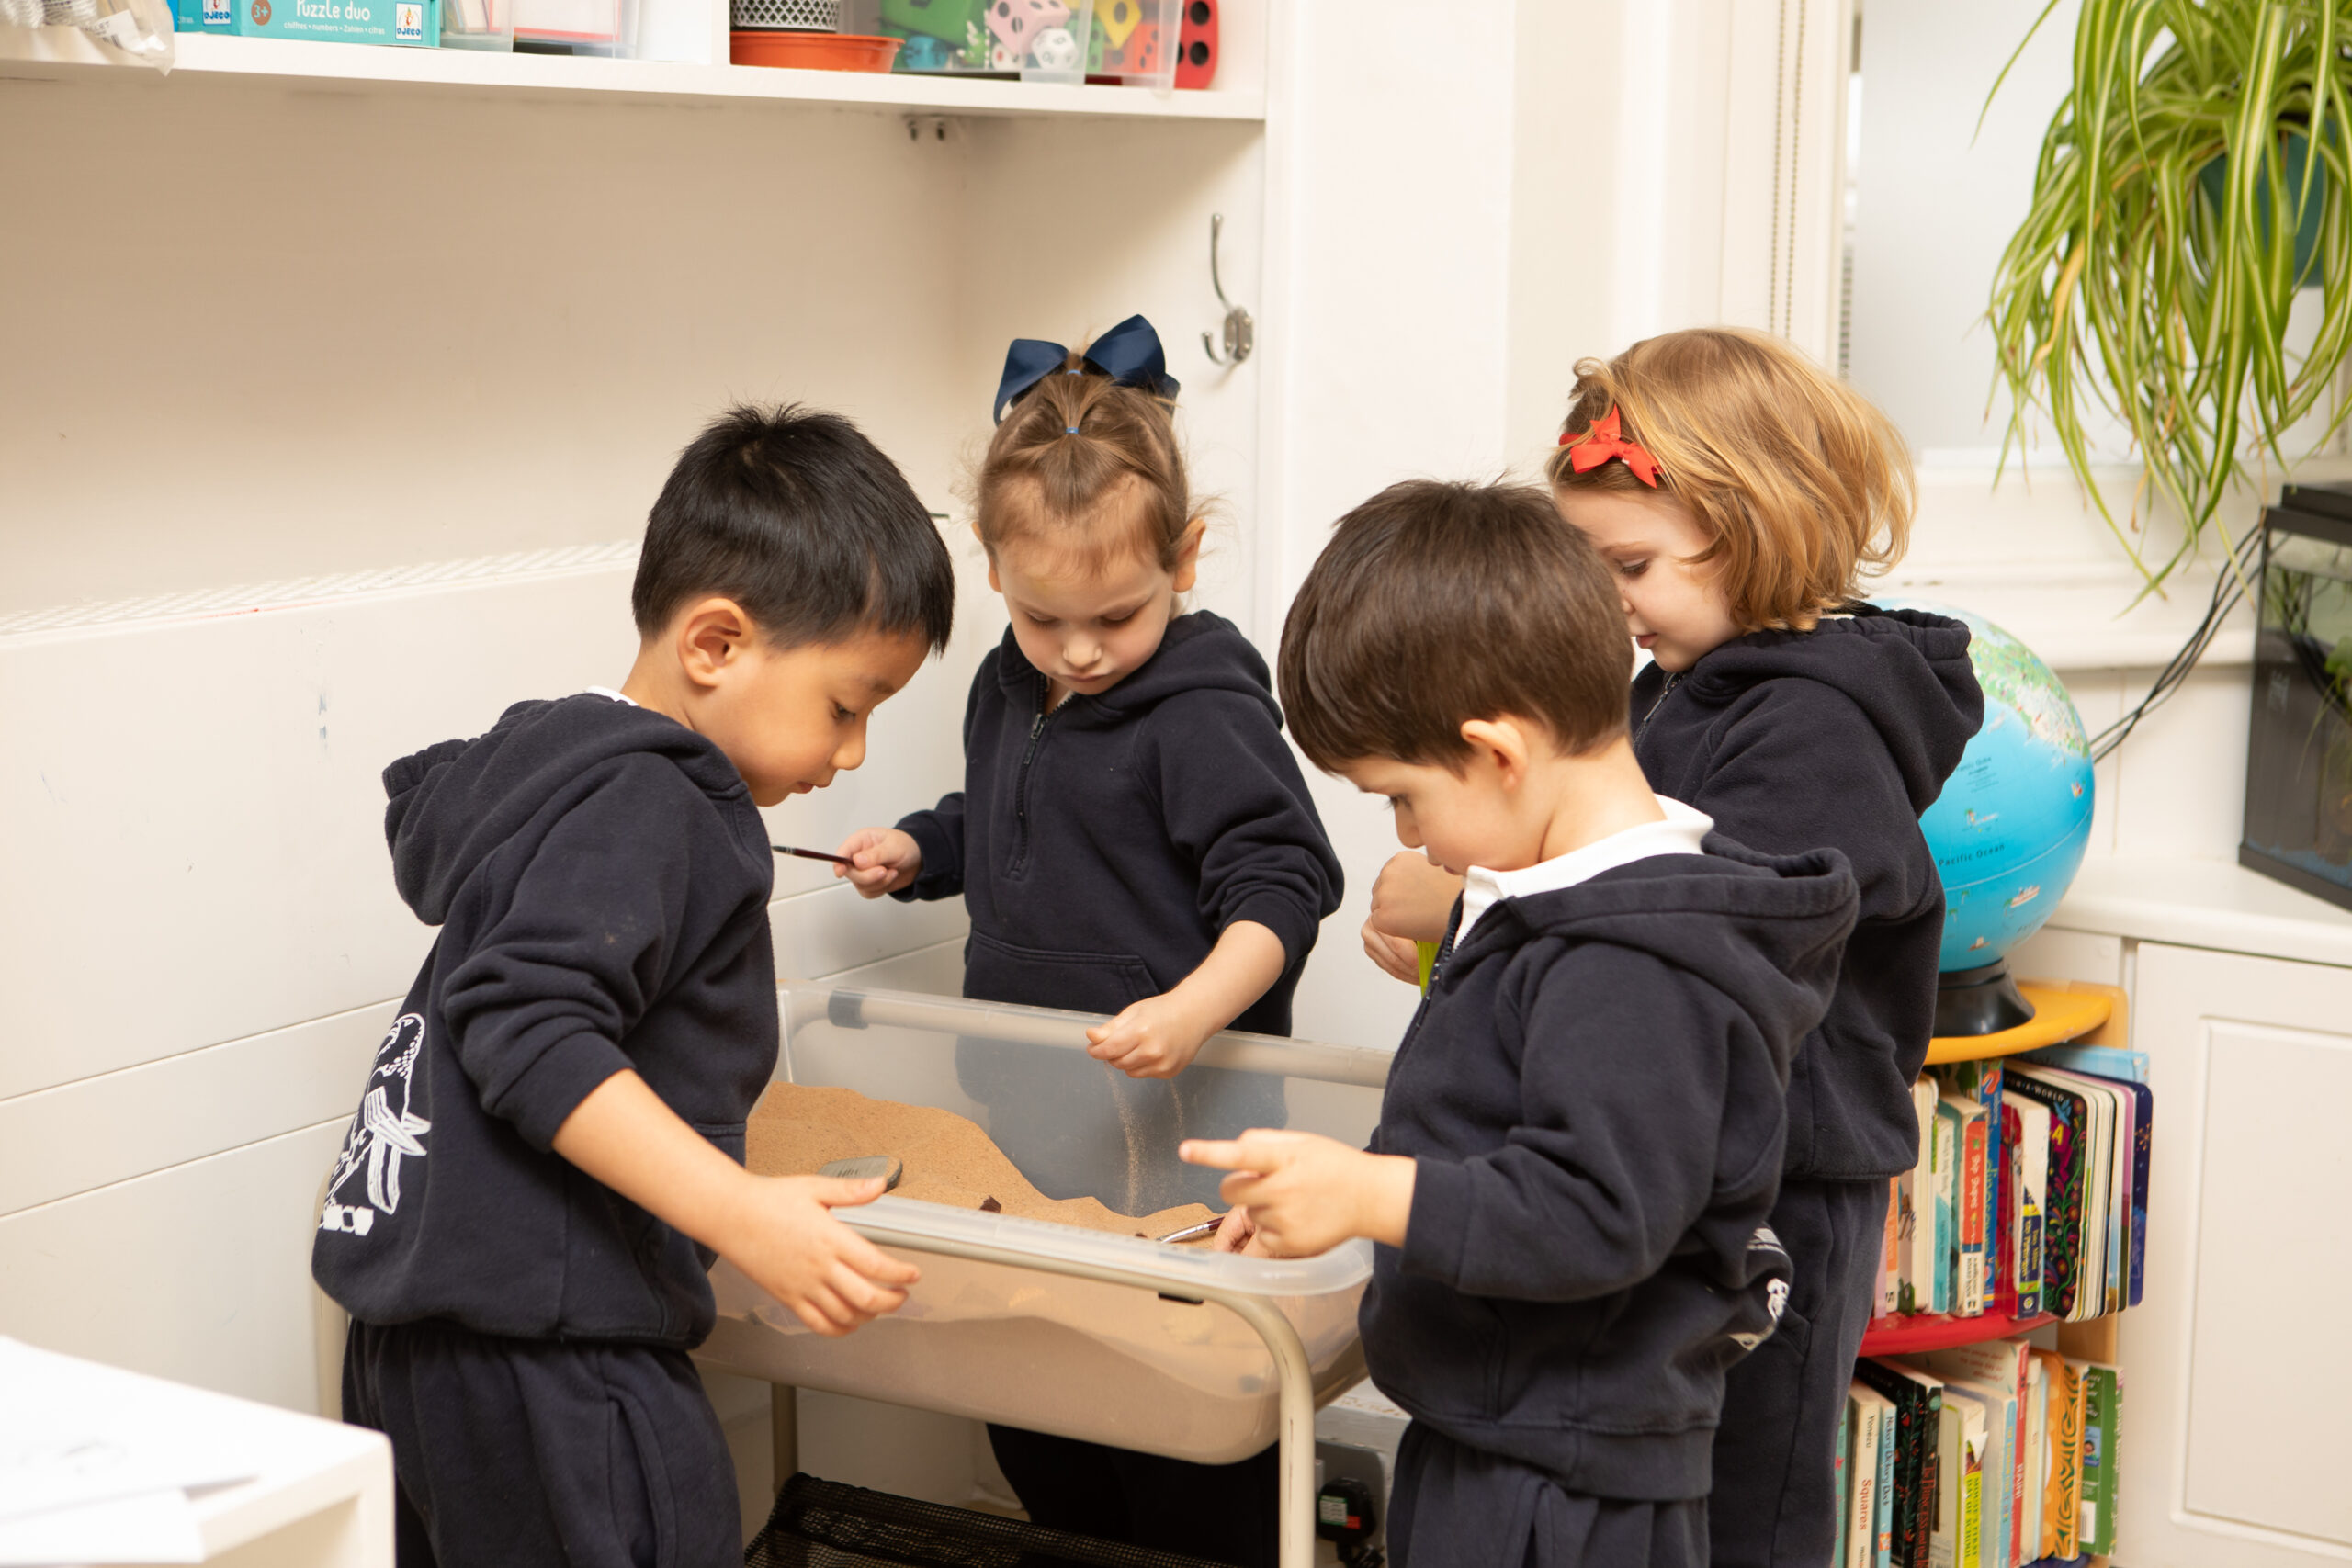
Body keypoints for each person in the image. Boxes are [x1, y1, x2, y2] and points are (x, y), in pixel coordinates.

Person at [1360, 330, 1984, 1568]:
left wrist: (1472, 897)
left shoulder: (1810, 722)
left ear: (1756, 526)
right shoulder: (1677, 686)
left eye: (1630, 564)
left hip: (1790, 1177)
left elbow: (1702, 921)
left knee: (1749, 1495)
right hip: (1686, 1156)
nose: (1609, 602)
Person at [312, 404, 958, 1568]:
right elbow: (525, 1024)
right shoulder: (654, 799)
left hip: (416, 1348)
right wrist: (739, 1211)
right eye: (845, 705)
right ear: (714, 644)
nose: (852, 752)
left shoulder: (555, 769)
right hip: (552, 1355)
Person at [1182, 478, 1857, 1568]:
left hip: (1567, 1485)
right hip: (1504, 1428)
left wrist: (1368, 1194)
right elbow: (1491, 1140)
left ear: (1498, 752)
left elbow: (1594, 1210)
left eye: (1401, 796)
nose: (1407, 836)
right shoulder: (1560, 907)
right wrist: (1339, 1206)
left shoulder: (1631, 961)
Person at [836, 315, 1343, 1565]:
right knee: (1044, 1419)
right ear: (993, 569)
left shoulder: (1203, 705)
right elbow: (1014, 818)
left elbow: (1286, 883)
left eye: (1115, 616)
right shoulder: (1008, 684)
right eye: (1041, 616)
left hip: (1175, 1141)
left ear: (1186, 555)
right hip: (1029, 1126)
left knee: (1182, 1439)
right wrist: (923, 849)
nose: (1077, 650)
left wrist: (1195, 1008)